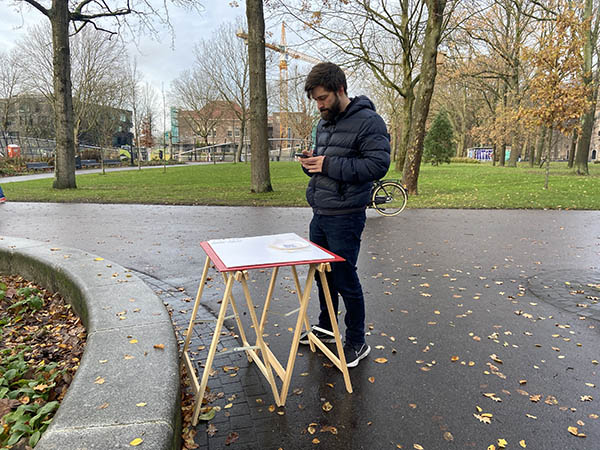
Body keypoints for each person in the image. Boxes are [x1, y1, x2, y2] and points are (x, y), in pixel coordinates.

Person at [298, 62, 391, 367]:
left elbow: (376, 167)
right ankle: (327, 326)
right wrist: (310, 163)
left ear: (340, 90)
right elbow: (325, 161)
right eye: (315, 100)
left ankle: (356, 341)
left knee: (344, 276)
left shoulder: (369, 122)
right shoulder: (324, 122)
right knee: (322, 276)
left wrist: (326, 164)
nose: (319, 105)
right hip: (320, 212)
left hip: (347, 215)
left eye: (323, 98)